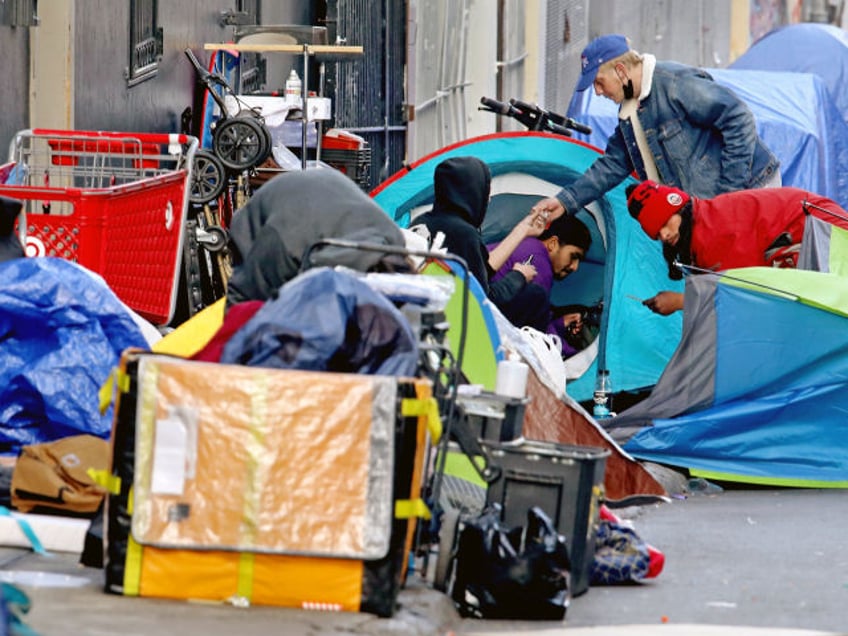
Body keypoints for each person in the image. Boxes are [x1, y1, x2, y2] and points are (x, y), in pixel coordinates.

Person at [532, 34, 781, 222]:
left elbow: (739, 119)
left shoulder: (674, 84)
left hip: (750, 190)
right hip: (707, 210)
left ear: (620, 71)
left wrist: (728, 198)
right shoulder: (630, 112)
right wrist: (564, 202)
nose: (598, 92)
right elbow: (613, 164)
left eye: (599, 82)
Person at [626, 179, 848, 315]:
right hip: (810, 231)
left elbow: (747, 290)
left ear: (679, 209)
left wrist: (680, 301)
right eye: (657, 233)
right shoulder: (698, 228)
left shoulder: (716, 233)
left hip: (821, 232)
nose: (664, 234)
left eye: (665, 223)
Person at [225, 169, 410, 308]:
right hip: (276, 216)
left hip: (323, 198)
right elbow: (240, 301)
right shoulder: (283, 247)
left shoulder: (393, 244)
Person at [408, 156, 549, 326]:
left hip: (422, 314)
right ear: (472, 193)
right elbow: (483, 301)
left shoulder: (422, 222)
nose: (488, 200)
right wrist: (518, 276)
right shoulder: (463, 234)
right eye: (485, 193)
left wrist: (523, 229)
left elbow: (477, 272)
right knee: (535, 296)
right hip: (456, 323)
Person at [489, 215, 593, 357]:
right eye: (573, 256)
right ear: (553, 244)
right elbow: (537, 335)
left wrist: (560, 324)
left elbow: (532, 318)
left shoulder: (528, 246)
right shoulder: (538, 261)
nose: (575, 267)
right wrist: (578, 356)